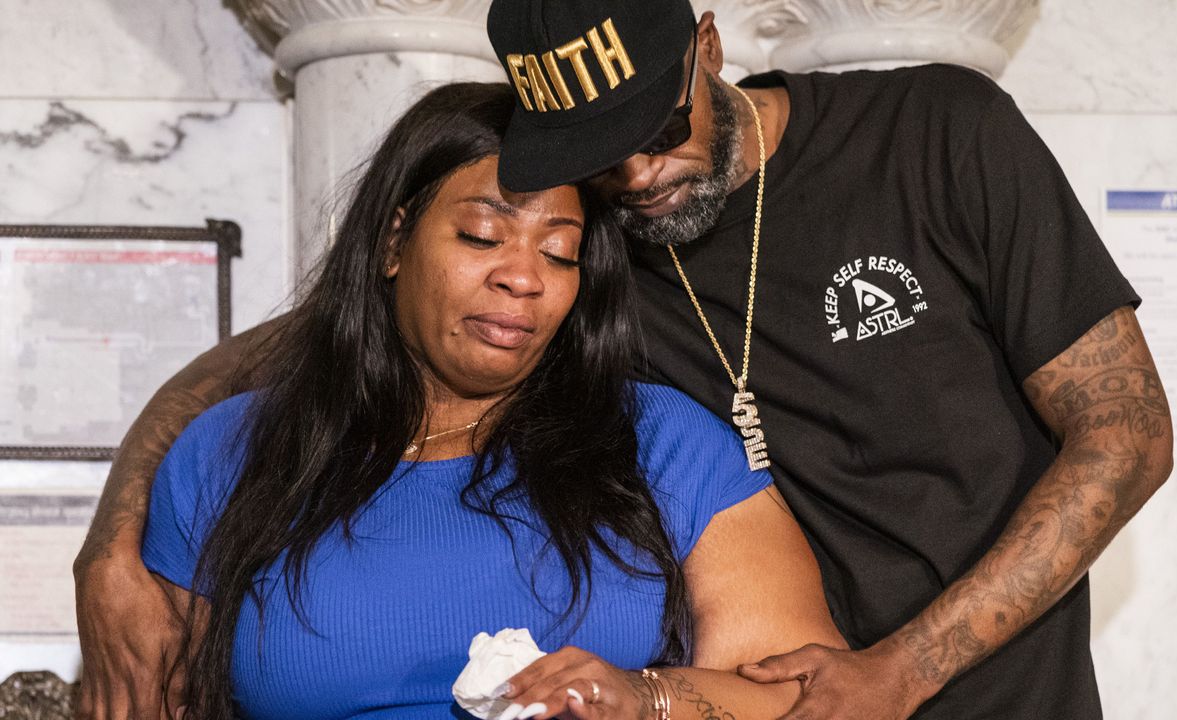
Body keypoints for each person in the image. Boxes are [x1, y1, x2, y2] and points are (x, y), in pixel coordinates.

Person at [74, 2, 1175, 720]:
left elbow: (1124, 437)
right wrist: (113, 543)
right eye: (600, 155)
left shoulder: (938, 135)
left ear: (705, 46)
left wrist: (903, 670)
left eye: (659, 123)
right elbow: (276, 358)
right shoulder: (589, 254)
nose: (643, 174)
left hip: (989, 697)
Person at [83, 82, 846, 719]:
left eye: (559, 252)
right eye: (483, 237)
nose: (524, 277)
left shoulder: (664, 444)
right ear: (392, 242)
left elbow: (804, 695)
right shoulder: (230, 453)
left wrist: (645, 699)